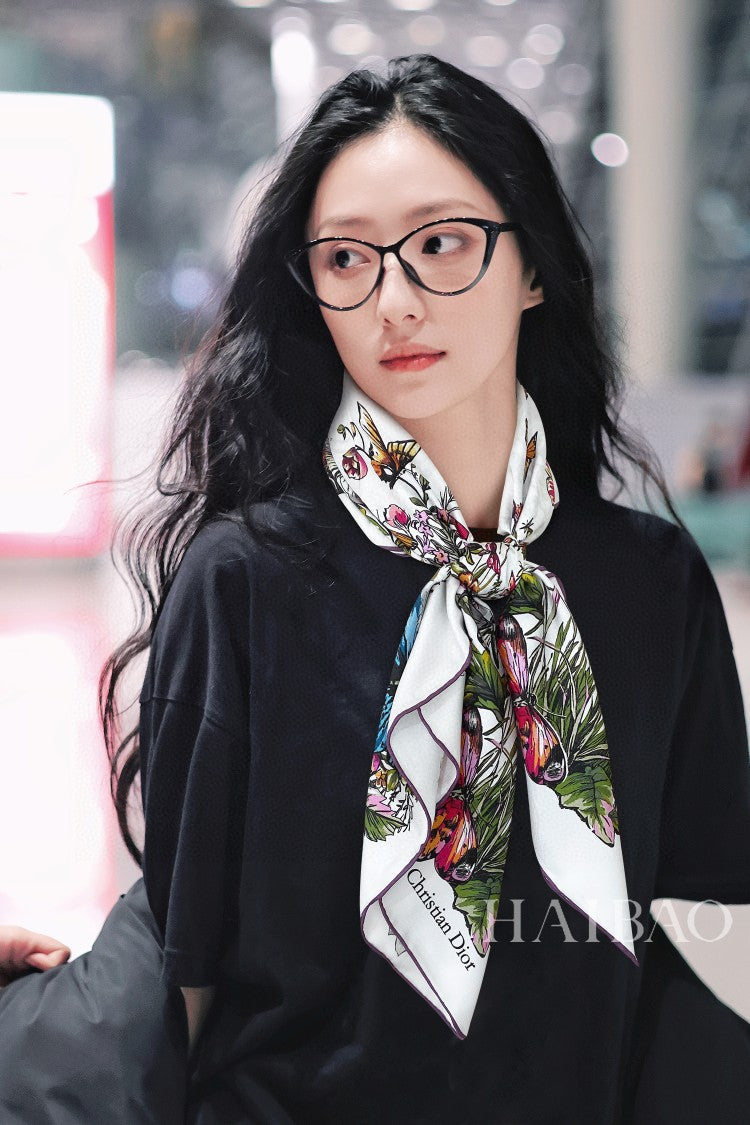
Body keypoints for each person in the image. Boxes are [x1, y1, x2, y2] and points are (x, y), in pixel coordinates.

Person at [1, 53, 749, 1125]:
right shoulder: (248, 579)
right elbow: (186, 972)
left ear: (534, 267)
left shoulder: (648, 584)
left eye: (441, 244)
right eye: (348, 259)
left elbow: (698, 925)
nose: (394, 301)